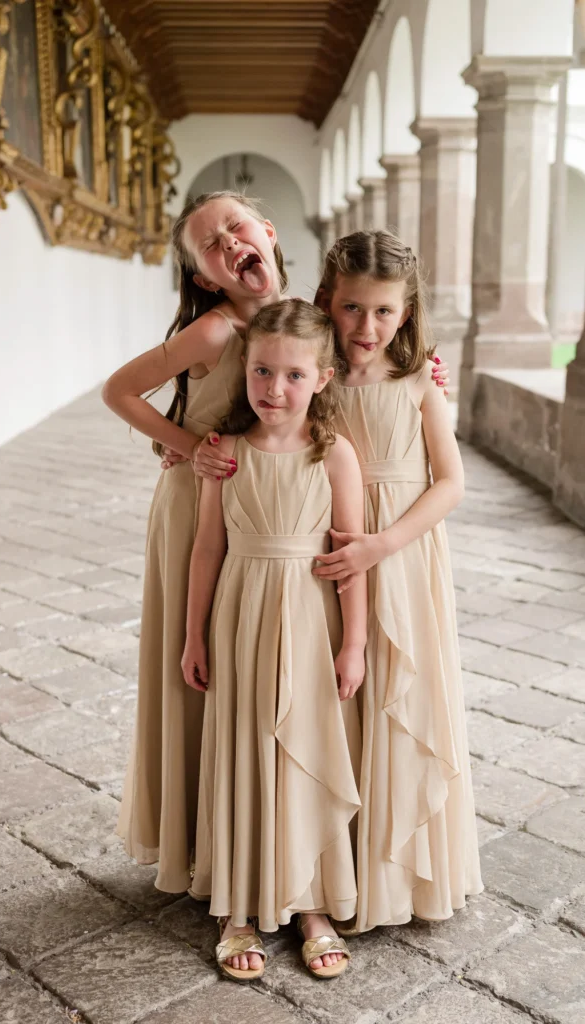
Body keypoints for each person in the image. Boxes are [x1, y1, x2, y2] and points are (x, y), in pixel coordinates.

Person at [101, 190, 287, 892]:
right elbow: (119, 391)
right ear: (207, 277)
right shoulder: (213, 333)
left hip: (268, 519)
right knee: (200, 667)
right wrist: (188, 445)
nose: (230, 241)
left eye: (237, 227)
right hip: (195, 509)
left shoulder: (307, 323)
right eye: (212, 244)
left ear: (266, 233)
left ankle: (267, 828)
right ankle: (201, 842)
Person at [181, 299, 366, 981]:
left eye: (293, 375)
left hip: (311, 617)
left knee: (306, 749)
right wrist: (193, 635)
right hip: (240, 613)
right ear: (246, 368)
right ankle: (239, 907)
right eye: (262, 370)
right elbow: (207, 547)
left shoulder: (335, 453)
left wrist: (356, 643)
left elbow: (350, 554)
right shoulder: (223, 452)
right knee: (244, 745)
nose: (273, 388)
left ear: (322, 377)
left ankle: (313, 903)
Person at [313, 230, 483, 934]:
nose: (367, 328)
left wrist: (381, 545)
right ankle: (333, 863)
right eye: (353, 309)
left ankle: (397, 870)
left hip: (402, 550)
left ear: (408, 313)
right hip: (329, 545)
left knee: (397, 695)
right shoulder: (312, 374)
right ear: (328, 300)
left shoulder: (418, 382)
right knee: (339, 694)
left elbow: (451, 483)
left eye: (385, 312)